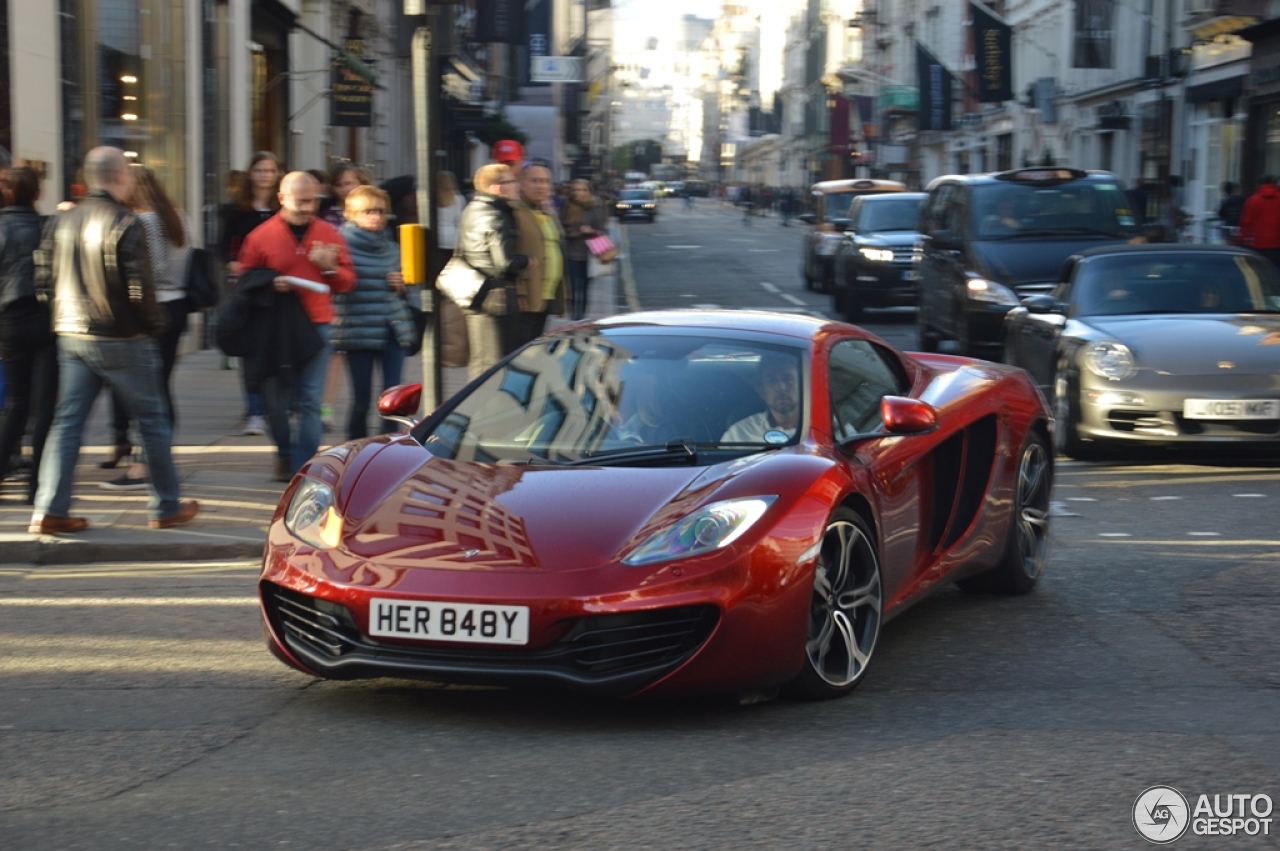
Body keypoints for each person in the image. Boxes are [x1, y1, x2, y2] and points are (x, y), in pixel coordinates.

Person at [30, 146, 198, 533]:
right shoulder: (125, 221)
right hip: (123, 335)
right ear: (121, 176)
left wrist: (60, 316)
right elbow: (139, 288)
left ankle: (50, 509)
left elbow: (42, 280)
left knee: (67, 421)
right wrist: (154, 325)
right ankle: (165, 505)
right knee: (152, 420)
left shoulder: (62, 219)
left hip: (72, 333)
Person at [237, 171, 356, 480]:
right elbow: (245, 281)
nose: (307, 207)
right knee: (275, 403)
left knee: (310, 401)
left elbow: (348, 281)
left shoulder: (329, 233)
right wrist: (270, 283)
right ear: (282, 198)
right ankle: (285, 453)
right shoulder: (261, 236)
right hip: (276, 328)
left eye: (313, 200)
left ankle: (304, 467)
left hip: (317, 325)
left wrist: (329, 269)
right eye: (301, 201)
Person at [99, 167, 194, 490]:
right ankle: (158, 458)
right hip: (177, 305)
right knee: (162, 385)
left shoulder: (145, 222)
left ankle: (144, 466)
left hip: (154, 310)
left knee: (147, 390)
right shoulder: (179, 216)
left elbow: (150, 270)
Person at [334, 185, 416, 439]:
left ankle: (388, 449)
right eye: (368, 211)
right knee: (362, 400)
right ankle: (354, 447)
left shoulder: (390, 245)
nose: (376, 217)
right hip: (359, 331)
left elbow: (412, 288)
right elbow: (338, 286)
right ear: (350, 214)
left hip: (392, 328)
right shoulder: (340, 245)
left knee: (394, 399)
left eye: (381, 211)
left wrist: (403, 285)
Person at [0, 166, 57, 504]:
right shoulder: (48, 227)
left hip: (10, 319)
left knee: (16, 404)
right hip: (46, 319)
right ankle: (36, 486)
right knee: (45, 407)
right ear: (38, 194)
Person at [219, 151, 282, 437]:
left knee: (278, 349)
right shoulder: (237, 210)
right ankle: (255, 410)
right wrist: (239, 267)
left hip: (281, 287)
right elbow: (222, 249)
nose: (265, 175)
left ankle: (275, 406)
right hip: (249, 288)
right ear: (250, 174)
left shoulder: (284, 209)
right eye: (260, 170)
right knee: (251, 351)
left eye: (270, 170)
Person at [445, 163, 527, 378]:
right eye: (512, 182)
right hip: (494, 295)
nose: (517, 186)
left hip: (477, 290)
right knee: (494, 364)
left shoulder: (474, 208)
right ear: (497, 187)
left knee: (483, 359)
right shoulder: (496, 215)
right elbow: (504, 263)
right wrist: (526, 261)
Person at [319, 163, 371, 430]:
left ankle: (358, 406)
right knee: (336, 352)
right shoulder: (329, 216)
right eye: (340, 184)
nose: (346, 189)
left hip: (367, 290)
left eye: (351, 183)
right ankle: (325, 406)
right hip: (338, 288)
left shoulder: (373, 212)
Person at [510, 161, 567, 347]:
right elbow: (510, 253)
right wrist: (519, 293)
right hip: (527, 297)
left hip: (546, 295)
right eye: (535, 181)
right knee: (521, 351)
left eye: (545, 181)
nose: (541, 186)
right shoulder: (514, 212)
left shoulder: (546, 212)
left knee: (534, 350)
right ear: (521, 183)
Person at [721, 351, 801, 443]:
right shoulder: (740, 433)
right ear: (761, 391)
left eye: (788, 379)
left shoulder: (818, 429)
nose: (781, 387)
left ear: (803, 386)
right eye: (772, 381)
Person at [561, 179, 608, 321]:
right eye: (575, 190)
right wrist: (577, 231)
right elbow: (561, 230)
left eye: (582, 190)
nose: (578, 193)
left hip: (590, 255)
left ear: (589, 192)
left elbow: (603, 231)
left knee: (585, 289)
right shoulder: (566, 207)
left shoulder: (596, 208)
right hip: (572, 255)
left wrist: (592, 231)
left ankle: (581, 318)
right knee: (573, 290)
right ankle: (574, 318)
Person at [1239, 175, 1280, 270]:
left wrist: (1241, 239)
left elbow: (1247, 222)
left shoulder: (1253, 200)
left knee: (1259, 271)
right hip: (1277, 243)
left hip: (1257, 243)